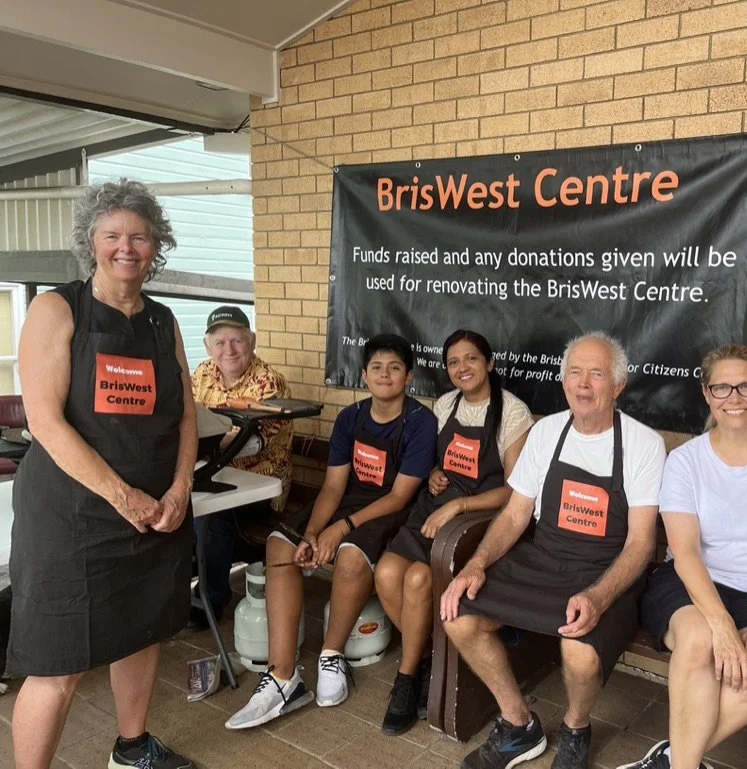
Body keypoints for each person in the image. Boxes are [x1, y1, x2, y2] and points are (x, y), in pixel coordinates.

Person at [8, 179, 197, 769]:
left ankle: (132, 749)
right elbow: (44, 421)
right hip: (74, 514)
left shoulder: (164, 321)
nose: (127, 247)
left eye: (139, 236)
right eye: (113, 235)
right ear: (90, 241)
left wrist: (179, 488)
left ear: (156, 245)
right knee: (57, 663)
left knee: (141, 632)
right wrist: (124, 496)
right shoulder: (57, 308)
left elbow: (186, 413)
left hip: (154, 512)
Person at [440, 332, 666, 769]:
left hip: (607, 568)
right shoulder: (547, 432)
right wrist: (475, 565)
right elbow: (514, 515)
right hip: (542, 558)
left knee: (579, 650)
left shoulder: (643, 444)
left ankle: (576, 728)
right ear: (563, 382)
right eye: (574, 374)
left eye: (596, 375)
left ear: (618, 385)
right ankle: (519, 726)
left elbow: (641, 543)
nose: (583, 385)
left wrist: (599, 596)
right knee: (458, 615)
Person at [618, 344, 747, 769]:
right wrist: (721, 624)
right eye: (722, 387)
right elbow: (686, 551)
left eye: (746, 385)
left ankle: (676, 760)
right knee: (697, 640)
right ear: (706, 393)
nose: (735, 397)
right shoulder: (685, 461)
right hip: (693, 583)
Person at [225, 333, 437, 730]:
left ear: (409, 377)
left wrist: (342, 528)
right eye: (376, 367)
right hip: (346, 504)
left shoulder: (420, 422)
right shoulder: (351, 418)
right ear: (363, 375)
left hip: (390, 511)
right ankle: (283, 674)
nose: (385, 375)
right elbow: (334, 487)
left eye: (394, 368)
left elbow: (400, 495)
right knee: (279, 544)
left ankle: (331, 653)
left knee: (352, 555)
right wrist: (313, 534)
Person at [375, 329, 534, 736]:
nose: (462, 368)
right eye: (453, 362)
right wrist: (434, 478)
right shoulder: (446, 404)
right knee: (387, 574)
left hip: (477, 519)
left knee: (417, 579)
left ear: (490, 363)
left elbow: (516, 492)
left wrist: (460, 505)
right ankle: (433, 654)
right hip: (436, 510)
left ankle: (407, 679)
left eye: (471, 359)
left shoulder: (513, 413)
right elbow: (437, 465)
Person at [189, 305, 293, 628]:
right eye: (220, 342)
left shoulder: (269, 383)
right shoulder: (203, 373)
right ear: (208, 347)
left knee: (212, 514)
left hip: (261, 487)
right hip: (213, 472)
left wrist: (201, 442)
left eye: (237, 340)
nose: (228, 350)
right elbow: (188, 420)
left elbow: (252, 441)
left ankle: (213, 596)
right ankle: (189, 583)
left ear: (252, 341)